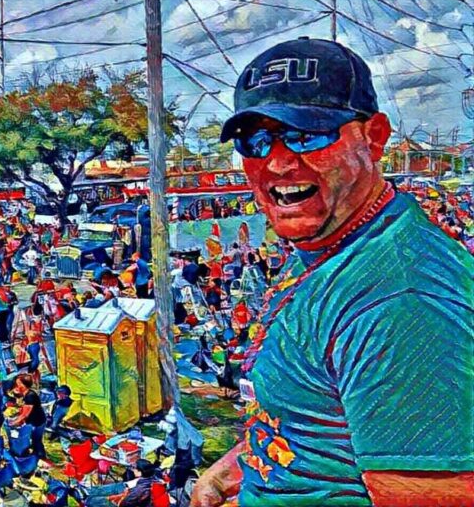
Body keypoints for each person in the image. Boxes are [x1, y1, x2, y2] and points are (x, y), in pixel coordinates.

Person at [194, 38, 474, 507]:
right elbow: (320, 415)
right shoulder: (333, 241)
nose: (278, 161)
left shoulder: (402, 301)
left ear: (375, 136)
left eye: (308, 135)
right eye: (256, 141)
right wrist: (234, 467)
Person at [9, 374, 47, 461]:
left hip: (37, 422)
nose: (17, 385)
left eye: (18, 383)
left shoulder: (30, 396)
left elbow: (25, 414)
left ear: (24, 384)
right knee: (35, 439)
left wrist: (13, 422)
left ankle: (41, 457)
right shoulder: (27, 394)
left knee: (36, 440)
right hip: (35, 420)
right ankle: (37, 455)